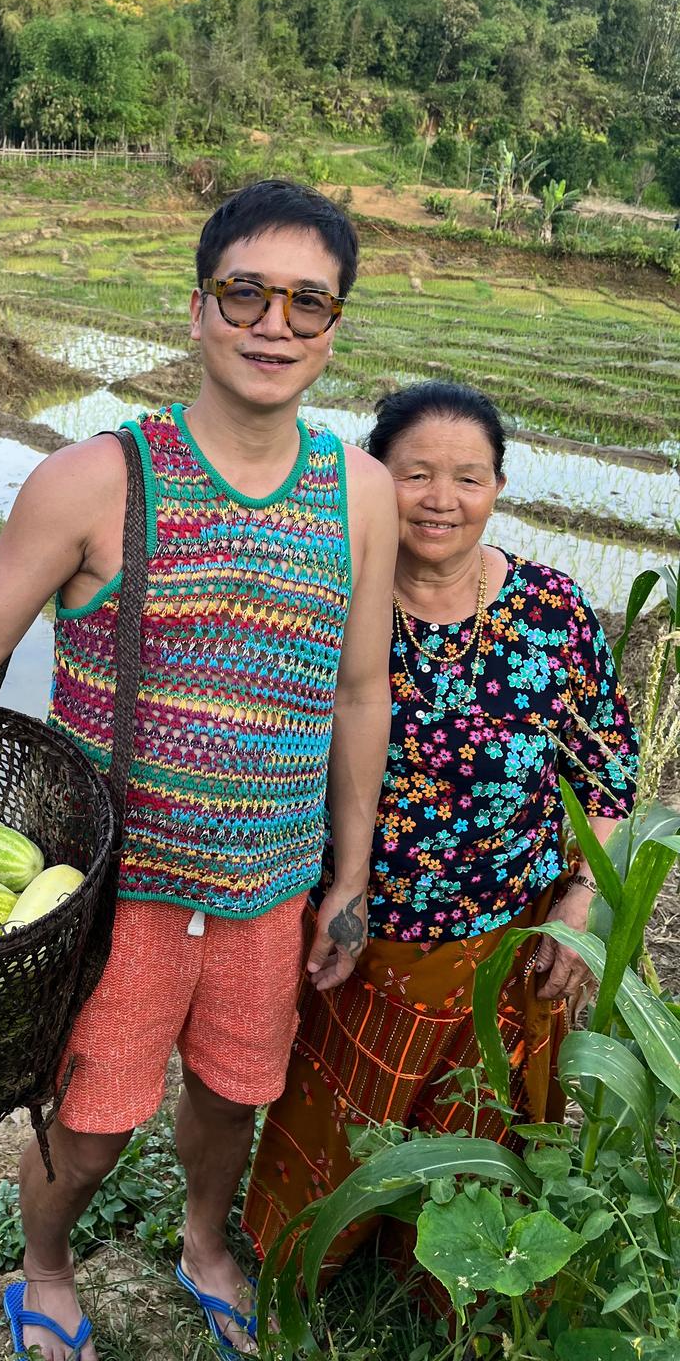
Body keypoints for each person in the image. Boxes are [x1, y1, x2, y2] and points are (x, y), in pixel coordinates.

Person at [0, 179, 398, 1360]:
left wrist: (346, 877)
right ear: (198, 308)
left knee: (230, 1099)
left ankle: (206, 1243)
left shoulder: (361, 494)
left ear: (334, 328)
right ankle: (45, 1266)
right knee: (94, 1126)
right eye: (245, 293)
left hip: (268, 887)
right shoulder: (97, 479)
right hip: (115, 894)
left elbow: (362, 692)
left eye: (306, 303)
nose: (274, 324)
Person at [243, 380, 639, 1283]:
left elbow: (609, 776)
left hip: (505, 944)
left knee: (472, 1142)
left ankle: (444, 1280)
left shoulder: (553, 612)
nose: (440, 500)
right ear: (374, 480)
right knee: (340, 1131)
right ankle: (304, 1266)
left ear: (499, 486)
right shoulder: (333, 607)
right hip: (359, 937)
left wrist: (577, 908)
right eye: (414, 474)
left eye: (468, 477)